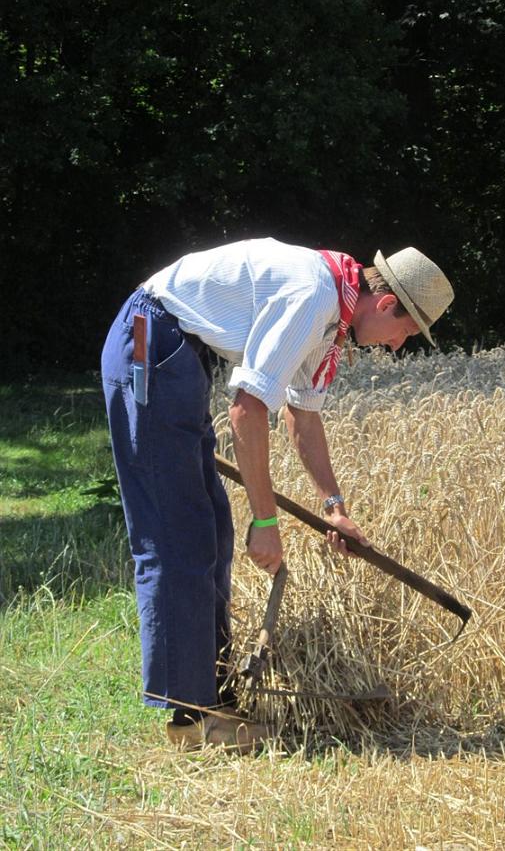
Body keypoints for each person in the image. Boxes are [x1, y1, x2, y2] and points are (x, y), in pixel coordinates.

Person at [101, 236, 454, 750]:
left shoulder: (333, 311)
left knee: (212, 530)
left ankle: (210, 698)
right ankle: (193, 719)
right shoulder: (314, 295)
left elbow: (301, 415)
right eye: (405, 330)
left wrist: (335, 508)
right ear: (384, 303)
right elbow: (248, 408)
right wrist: (265, 522)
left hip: (175, 352)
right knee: (178, 537)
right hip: (149, 340)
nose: (398, 345)